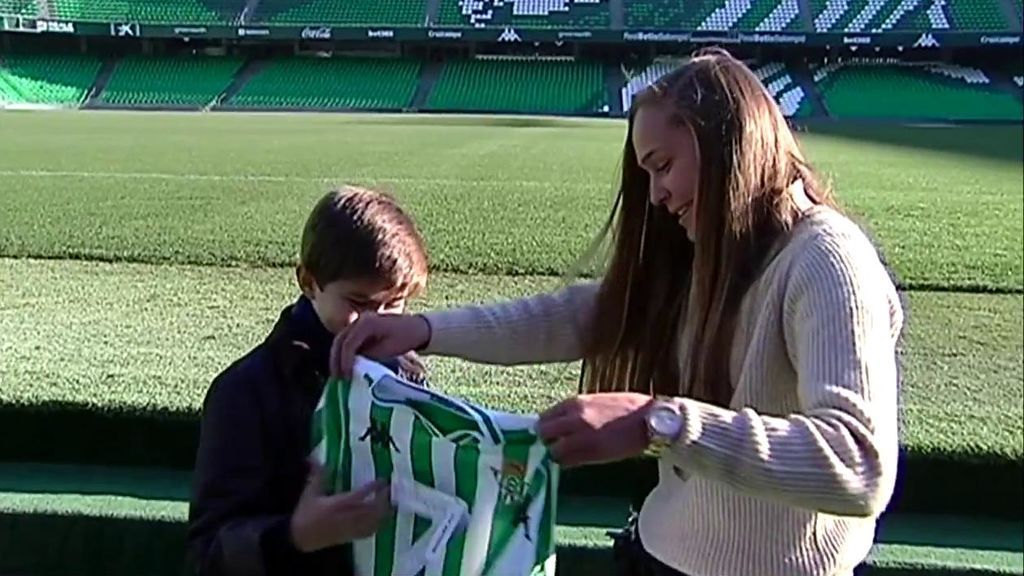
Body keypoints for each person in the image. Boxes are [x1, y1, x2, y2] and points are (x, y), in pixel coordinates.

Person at [329, 47, 904, 576]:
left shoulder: (827, 260)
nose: (655, 195)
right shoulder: (707, 253)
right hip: (654, 552)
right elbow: (573, 318)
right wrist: (424, 329)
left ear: (726, 145)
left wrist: (660, 420)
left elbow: (858, 465)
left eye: (663, 165)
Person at [187, 186, 431, 576]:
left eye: (393, 304)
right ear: (307, 281)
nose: (377, 321)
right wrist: (296, 536)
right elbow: (208, 555)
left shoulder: (406, 374)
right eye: (358, 303)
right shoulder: (246, 392)